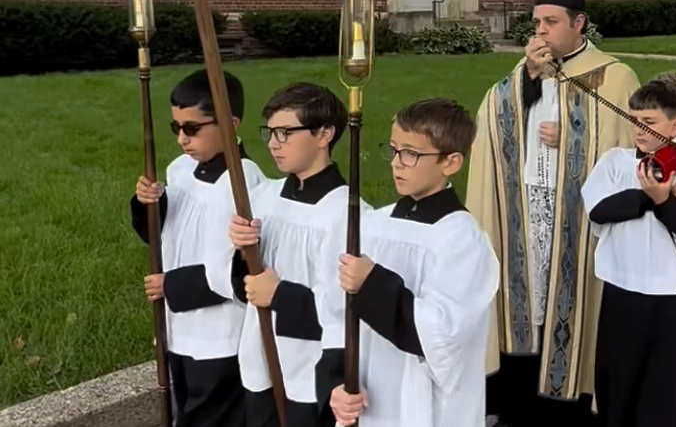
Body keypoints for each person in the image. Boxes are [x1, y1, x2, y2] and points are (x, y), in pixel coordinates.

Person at [466, 0, 640, 427]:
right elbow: (492, 116)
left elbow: (629, 146)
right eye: (536, 22)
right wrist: (526, 79)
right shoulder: (530, 69)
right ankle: (521, 397)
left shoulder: (613, 76)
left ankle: (571, 405)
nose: (540, 31)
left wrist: (571, 138)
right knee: (528, 305)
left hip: (576, 215)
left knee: (571, 302)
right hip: (527, 209)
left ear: (579, 23)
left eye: (551, 22)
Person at [326, 99, 500, 427]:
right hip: (366, 400)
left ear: (451, 162)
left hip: (427, 410)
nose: (397, 163)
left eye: (412, 154)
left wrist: (372, 282)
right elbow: (337, 316)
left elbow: (443, 337)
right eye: (393, 150)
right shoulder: (374, 225)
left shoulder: (462, 241)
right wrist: (338, 382)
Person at [132, 70, 266, 427]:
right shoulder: (180, 170)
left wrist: (170, 285)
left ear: (230, 124)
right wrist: (149, 204)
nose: (181, 139)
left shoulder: (244, 183)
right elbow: (164, 237)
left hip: (219, 337)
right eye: (175, 127)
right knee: (184, 411)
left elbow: (237, 271)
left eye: (192, 129)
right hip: (177, 327)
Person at [581, 77, 676, 427]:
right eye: (634, 120)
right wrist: (653, 194)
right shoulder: (614, 162)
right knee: (620, 381)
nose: (639, 130)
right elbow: (599, 209)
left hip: (675, 295)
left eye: (649, 122)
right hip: (622, 288)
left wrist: (665, 203)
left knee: (670, 391)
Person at [223, 83, 350, 427]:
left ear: (325, 134)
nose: (273, 143)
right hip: (259, 360)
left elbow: (344, 314)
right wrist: (242, 251)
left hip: (308, 374)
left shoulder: (346, 214)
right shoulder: (265, 198)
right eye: (270, 132)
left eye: (285, 133)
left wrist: (279, 295)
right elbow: (242, 285)